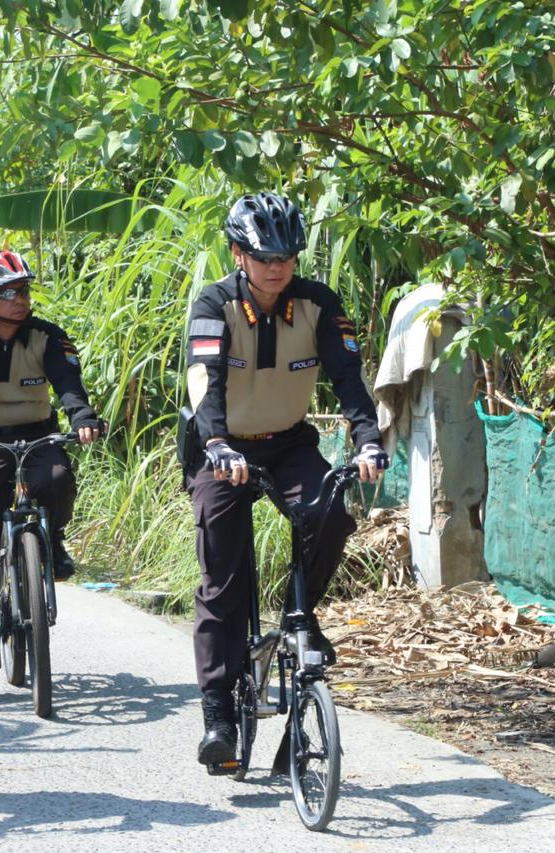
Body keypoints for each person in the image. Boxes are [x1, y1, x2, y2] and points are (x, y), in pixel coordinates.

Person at [182, 192, 388, 767]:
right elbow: (205, 379)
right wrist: (217, 441)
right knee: (223, 580)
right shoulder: (214, 303)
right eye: (263, 256)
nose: (277, 267)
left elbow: (349, 378)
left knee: (331, 511)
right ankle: (219, 712)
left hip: (288, 443)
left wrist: (367, 438)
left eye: (287, 256)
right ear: (237, 254)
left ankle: (300, 614)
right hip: (221, 447)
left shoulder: (318, 304)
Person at [0, 250, 102, 670]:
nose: (20, 300)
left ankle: (54, 538)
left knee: (57, 478)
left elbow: (69, 386)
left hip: (37, 435)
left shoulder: (47, 336)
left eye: (23, 290)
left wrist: (82, 417)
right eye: (8, 293)